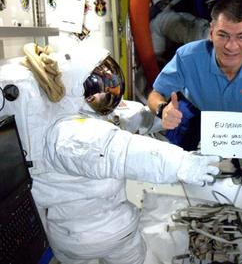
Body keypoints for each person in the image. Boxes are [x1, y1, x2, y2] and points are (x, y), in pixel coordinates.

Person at [0, 44, 220, 264]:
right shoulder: (69, 134)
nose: (108, 94)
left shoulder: (76, 115)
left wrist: (161, 116)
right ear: (77, 89)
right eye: (100, 89)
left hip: (69, 241)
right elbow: (124, 151)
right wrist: (182, 164)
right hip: (114, 231)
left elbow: (127, 118)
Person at [147, 0, 242, 150]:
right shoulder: (187, 57)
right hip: (195, 112)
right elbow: (155, 94)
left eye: (241, 36)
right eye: (223, 35)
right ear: (211, 33)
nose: (231, 46)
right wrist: (162, 109)